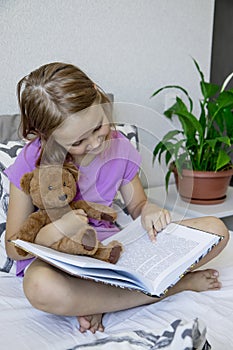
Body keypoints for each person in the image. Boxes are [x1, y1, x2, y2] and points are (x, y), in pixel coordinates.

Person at [5, 62, 229, 334]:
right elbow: (13, 247)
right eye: (77, 142)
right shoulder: (31, 159)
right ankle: (172, 287)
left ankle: (95, 300)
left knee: (217, 231)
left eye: (97, 126)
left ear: (99, 97)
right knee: (39, 287)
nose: (96, 144)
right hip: (60, 258)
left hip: (113, 250)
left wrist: (149, 211)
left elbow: (137, 205)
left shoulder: (119, 144)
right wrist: (54, 231)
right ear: (47, 137)